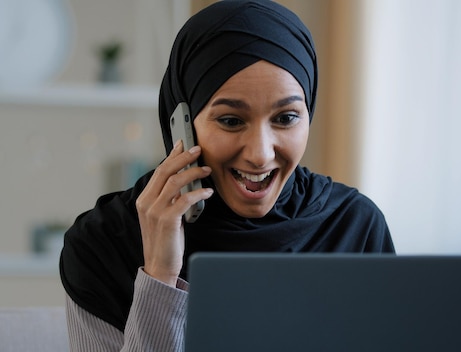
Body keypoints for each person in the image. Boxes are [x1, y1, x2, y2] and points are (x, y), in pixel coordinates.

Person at [59, 0, 395, 350]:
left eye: (286, 118)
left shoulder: (354, 227)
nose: (261, 154)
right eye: (232, 121)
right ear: (182, 125)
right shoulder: (102, 246)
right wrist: (160, 275)